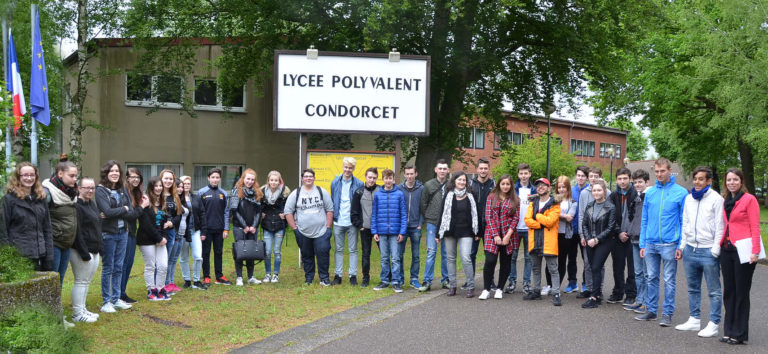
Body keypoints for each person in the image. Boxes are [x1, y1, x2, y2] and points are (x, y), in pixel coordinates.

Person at [636, 158, 687, 326]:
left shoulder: (681, 193)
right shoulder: (649, 193)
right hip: (650, 243)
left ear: (670, 171)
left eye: (662, 171)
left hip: (669, 244)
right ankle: (651, 310)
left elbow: (683, 220)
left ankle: (667, 313)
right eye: (656, 171)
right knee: (651, 277)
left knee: (669, 279)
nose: (659, 174)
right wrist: (643, 243)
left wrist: (680, 244)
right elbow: (644, 219)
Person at [674, 166, 724, 338]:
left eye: (701, 179)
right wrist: (682, 246)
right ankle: (694, 320)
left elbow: (720, 226)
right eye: (695, 178)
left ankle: (714, 323)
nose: (697, 182)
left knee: (714, 290)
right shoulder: (689, 199)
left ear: (709, 181)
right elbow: (685, 223)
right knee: (693, 288)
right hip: (690, 250)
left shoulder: (716, 199)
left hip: (708, 250)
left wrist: (715, 250)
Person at [719, 168, 761, 345]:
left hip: (744, 251)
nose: (732, 183)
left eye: (735, 180)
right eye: (729, 180)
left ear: (741, 181)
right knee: (729, 292)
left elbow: (755, 226)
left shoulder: (749, 199)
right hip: (726, 250)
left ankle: (739, 333)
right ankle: (728, 331)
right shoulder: (726, 200)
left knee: (741, 293)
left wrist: (755, 251)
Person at [95, 160, 136, 313]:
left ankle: (116, 298)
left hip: (123, 233)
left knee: (119, 266)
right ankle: (106, 302)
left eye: (117, 171)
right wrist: (123, 208)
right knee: (108, 267)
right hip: (108, 234)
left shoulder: (122, 189)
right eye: (111, 171)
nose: (115, 174)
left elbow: (130, 211)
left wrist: (119, 210)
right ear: (106, 173)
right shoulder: (100, 190)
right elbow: (107, 211)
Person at [284, 169, 334, 286]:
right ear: (302, 178)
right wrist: (295, 229)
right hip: (302, 232)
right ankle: (309, 278)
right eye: (306, 176)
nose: (308, 178)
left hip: (321, 231)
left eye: (310, 176)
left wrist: (327, 227)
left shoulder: (322, 192)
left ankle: (324, 278)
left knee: (323, 255)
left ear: (314, 178)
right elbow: (288, 212)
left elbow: (330, 210)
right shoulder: (296, 194)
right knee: (307, 256)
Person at [0, 162, 53, 271]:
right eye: (25, 175)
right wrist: (7, 258)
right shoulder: (9, 200)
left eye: (32, 175)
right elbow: (3, 231)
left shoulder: (41, 198)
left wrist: (49, 255)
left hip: (40, 255)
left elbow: (47, 229)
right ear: (18, 177)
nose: (29, 178)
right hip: (19, 257)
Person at [438, 171, 479, 297]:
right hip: (450, 231)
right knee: (450, 259)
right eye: (459, 180)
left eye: (464, 180)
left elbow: (476, 214)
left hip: (466, 231)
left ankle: (470, 286)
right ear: (454, 181)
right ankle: (452, 286)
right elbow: (442, 214)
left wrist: (478, 232)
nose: (462, 182)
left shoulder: (471, 196)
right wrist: (437, 233)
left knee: (466, 258)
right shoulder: (448, 195)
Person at [479, 174, 519, 300]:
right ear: (499, 184)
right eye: (503, 184)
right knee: (490, 261)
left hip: (509, 235)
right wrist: (495, 235)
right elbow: (488, 216)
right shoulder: (491, 197)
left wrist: (507, 235)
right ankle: (486, 289)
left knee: (505, 263)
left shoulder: (515, 199)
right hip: (492, 234)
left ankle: (500, 288)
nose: (505, 186)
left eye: (508, 184)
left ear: (511, 185)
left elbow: (516, 218)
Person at [524, 178, 562, 306]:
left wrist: (538, 215)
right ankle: (536, 291)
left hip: (548, 241)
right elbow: (527, 220)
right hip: (535, 240)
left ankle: (556, 293)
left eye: (543, 185)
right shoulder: (532, 202)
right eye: (538, 185)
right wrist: (540, 224)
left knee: (553, 269)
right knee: (535, 268)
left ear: (549, 188)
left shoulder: (555, 204)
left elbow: (550, 221)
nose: (540, 187)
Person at [580, 179, 617, 309]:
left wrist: (597, 240)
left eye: (599, 190)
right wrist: (588, 238)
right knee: (592, 267)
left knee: (596, 267)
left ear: (604, 191)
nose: (596, 192)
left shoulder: (610, 207)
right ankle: (597, 294)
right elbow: (584, 223)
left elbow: (611, 227)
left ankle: (594, 297)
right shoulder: (590, 205)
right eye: (594, 190)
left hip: (604, 242)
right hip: (590, 241)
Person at [70, 178, 102, 323]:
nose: (90, 191)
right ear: (79, 188)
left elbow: (97, 227)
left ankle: (82, 309)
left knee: (86, 281)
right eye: (87, 187)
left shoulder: (92, 204)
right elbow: (78, 232)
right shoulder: (77, 206)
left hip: (94, 250)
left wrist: (99, 248)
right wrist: (84, 253)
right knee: (80, 281)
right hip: (82, 251)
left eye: (92, 188)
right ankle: (77, 314)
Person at [42, 161, 79, 288]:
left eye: (76, 176)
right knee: (51, 279)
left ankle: (56, 306)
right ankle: (48, 307)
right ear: (60, 174)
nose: (75, 179)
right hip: (54, 243)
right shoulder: (47, 192)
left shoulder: (71, 192)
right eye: (71, 175)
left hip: (67, 243)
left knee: (60, 278)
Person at [577, 167, 611, 299]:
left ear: (600, 177)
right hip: (587, 234)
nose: (593, 178)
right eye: (591, 176)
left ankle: (599, 289)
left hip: (601, 235)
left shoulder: (607, 193)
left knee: (599, 264)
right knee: (587, 263)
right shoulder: (584, 193)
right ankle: (589, 288)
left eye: (596, 176)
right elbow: (581, 215)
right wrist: (582, 235)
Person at [372, 168, 407, 293]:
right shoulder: (378, 195)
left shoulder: (399, 194)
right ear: (383, 179)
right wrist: (374, 231)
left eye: (390, 178)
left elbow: (403, 215)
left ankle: (396, 281)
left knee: (396, 258)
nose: (388, 181)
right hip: (381, 232)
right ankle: (385, 281)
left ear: (393, 179)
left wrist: (402, 232)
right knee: (384, 257)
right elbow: (374, 214)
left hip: (395, 232)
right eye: (386, 178)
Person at [330, 157, 364, 285]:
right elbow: (334, 199)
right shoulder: (335, 183)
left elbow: (360, 203)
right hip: (338, 221)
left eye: (350, 168)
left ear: (353, 169)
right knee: (338, 249)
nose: (347, 170)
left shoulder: (359, 184)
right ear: (342, 167)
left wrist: (358, 220)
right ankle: (338, 276)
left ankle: (353, 276)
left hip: (352, 222)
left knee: (353, 249)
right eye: (346, 167)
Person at [419, 159, 451, 291]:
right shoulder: (428, 185)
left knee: (446, 253)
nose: (442, 171)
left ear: (448, 170)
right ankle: (427, 281)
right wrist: (429, 215)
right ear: (435, 170)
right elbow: (423, 203)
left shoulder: (451, 185)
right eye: (440, 168)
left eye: (444, 168)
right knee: (431, 252)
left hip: (447, 223)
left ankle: (446, 280)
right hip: (432, 222)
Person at [607, 167, 638, 305]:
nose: (622, 181)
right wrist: (619, 232)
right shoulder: (613, 196)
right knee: (618, 266)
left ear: (630, 179)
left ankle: (631, 293)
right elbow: (610, 217)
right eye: (619, 179)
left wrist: (629, 233)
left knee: (632, 267)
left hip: (633, 237)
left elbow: (638, 217)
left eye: (625, 178)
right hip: (617, 236)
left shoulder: (636, 193)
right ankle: (618, 292)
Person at [137, 177, 171, 301]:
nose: (158, 188)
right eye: (156, 186)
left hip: (161, 239)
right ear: (151, 187)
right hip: (147, 239)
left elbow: (165, 223)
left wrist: (165, 237)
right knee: (150, 266)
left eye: (160, 186)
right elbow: (146, 224)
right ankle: (151, 290)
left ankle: (161, 288)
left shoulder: (163, 202)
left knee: (163, 266)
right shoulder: (145, 201)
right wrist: (159, 238)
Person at [229, 169, 263, 286]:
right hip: (239, 227)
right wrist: (244, 226)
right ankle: (239, 277)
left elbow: (259, 212)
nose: (250, 181)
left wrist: (254, 226)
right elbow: (235, 211)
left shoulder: (257, 193)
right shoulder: (236, 191)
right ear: (243, 178)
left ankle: (250, 276)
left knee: (251, 251)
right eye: (248, 179)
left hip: (253, 227)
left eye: (252, 179)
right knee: (240, 251)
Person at [199, 168, 231, 286]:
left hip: (219, 230)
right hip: (206, 230)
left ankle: (219, 276)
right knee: (205, 253)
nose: (215, 179)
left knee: (218, 252)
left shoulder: (223, 193)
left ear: (220, 179)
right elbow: (199, 213)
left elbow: (226, 212)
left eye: (217, 177)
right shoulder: (202, 192)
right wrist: (202, 230)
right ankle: (206, 277)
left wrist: (226, 229)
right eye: (213, 177)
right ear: (208, 178)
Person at [623, 169, 650, 314]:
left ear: (647, 182)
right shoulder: (635, 196)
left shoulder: (649, 197)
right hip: (634, 238)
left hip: (644, 240)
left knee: (646, 273)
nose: (637, 184)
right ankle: (639, 300)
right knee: (638, 272)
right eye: (636, 182)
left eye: (640, 182)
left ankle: (646, 302)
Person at [506, 163, 533, 294]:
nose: (523, 176)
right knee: (513, 257)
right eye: (521, 173)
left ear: (530, 174)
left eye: (526, 173)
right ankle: (512, 282)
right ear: (518, 175)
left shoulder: (534, 190)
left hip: (529, 228)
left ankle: (527, 283)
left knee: (529, 258)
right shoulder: (512, 190)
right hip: (515, 228)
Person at [351, 167, 380, 287]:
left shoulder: (381, 190)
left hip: (380, 229)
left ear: (377, 178)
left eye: (374, 178)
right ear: (365, 177)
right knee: (366, 254)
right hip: (365, 228)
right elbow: (354, 212)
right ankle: (365, 278)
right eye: (369, 177)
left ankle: (388, 277)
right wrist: (360, 225)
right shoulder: (359, 192)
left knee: (384, 253)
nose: (371, 180)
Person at [120, 168, 145, 304]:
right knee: (123, 264)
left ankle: (122, 292)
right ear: (127, 178)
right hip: (124, 232)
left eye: (138, 177)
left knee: (128, 264)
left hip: (132, 232)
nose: (136, 179)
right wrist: (142, 207)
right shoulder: (123, 193)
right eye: (133, 177)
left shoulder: (136, 193)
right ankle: (119, 293)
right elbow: (128, 215)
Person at [260, 171, 290, 284]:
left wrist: (285, 214)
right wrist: (260, 213)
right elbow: (258, 205)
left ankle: (275, 274)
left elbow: (289, 206)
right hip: (267, 224)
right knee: (267, 251)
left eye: (276, 180)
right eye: (271, 180)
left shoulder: (285, 192)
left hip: (279, 225)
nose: (273, 182)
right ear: (268, 181)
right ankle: (267, 274)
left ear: (279, 181)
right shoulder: (262, 192)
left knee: (277, 251)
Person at [397, 165, 424, 289]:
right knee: (399, 254)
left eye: (411, 174)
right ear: (404, 175)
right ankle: (401, 279)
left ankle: (414, 279)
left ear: (416, 174)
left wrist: (420, 224)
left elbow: (423, 207)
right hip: (402, 228)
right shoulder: (399, 189)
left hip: (415, 227)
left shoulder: (421, 188)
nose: (409, 176)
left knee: (416, 255)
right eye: (407, 174)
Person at [178, 176, 207, 289]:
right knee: (184, 257)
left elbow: (203, 214)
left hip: (195, 231)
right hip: (182, 233)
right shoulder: (177, 198)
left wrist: (203, 231)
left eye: (189, 183)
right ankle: (187, 280)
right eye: (184, 183)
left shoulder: (196, 197)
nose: (186, 185)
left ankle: (196, 280)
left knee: (198, 256)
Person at [470, 158, 495, 284]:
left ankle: (490, 280)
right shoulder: (471, 184)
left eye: (485, 168)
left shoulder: (494, 185)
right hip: (473, 225)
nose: (483, 170)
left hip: (489, 225)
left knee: (489, 255)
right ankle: (470, 280)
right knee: (471, 254)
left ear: (488, 169)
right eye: (481, 168)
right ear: (477, 169)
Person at [160, 170, 183, 293]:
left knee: (168, 259)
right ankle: (158, 286)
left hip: (171, 232)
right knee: (160, 261)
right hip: (159, 232)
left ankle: (166, 284)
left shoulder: (175, 196)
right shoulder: (156, 193)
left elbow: (179, 215)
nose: (168, 181)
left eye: (170, 179)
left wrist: (172, 222)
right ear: (161, 179)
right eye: (166, 178)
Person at [555, 176, 578, 295]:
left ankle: (557, 285)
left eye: (564, 187)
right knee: (552, 260)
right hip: (553, 234)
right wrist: (562, 215)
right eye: (559, 187)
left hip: (565, 235)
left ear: (568, 187)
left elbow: (570, 217)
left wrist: (557, 214)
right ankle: (551, 284)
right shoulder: (553, 200)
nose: (561, 189)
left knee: (562, 260)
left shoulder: (572, 202)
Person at [569, 165, 590, 294]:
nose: (580, 178)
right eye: (578, 175)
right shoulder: (571, 190)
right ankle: (572, 283)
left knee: (586, 259)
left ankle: (586, 283)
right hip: (572, 230)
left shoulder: (590, 191)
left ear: (586, 178)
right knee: (571, 258)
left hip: (585, 231)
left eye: (583, 176)